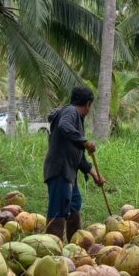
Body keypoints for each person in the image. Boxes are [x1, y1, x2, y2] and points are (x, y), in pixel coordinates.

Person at [44, 86, 105, 240]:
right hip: (60, 170)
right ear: (88, 104)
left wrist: (95, 175)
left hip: (69, 172)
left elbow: (79, 158)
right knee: (59, 207)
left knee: (74, 203)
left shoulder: (77, 120)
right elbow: (63, 126)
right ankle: (52, 248)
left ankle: (74, 245)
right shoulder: (71, 112)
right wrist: (84, 141)